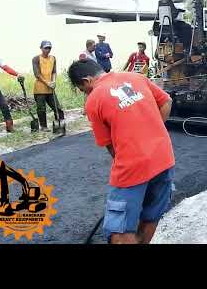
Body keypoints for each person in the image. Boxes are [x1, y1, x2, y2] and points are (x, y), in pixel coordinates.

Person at [67, 59, 175, 244]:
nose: (83, 92)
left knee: (119, 232)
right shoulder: (136, 77)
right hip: (164, 159)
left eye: (81, 88)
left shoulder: (94, 100)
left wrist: (129, 155)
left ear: (87, 81)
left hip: (133, 167)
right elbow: (166, 101)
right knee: (150, 214)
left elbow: (110, 145)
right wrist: (152, 131)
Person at [32, 40, 65, 132]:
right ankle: (43, 126)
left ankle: (60, 125)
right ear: (41, 48)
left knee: (57, 108)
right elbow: (37, 74)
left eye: (49, 48)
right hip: (40, 89)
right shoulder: (36, 59)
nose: (48, 50)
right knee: (41, 109)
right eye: (46, 48)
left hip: (50, 89)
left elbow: (54, 72)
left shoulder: (53, 58)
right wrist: (48, 83)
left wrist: (54, 81)